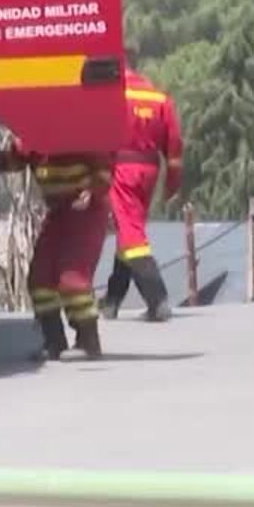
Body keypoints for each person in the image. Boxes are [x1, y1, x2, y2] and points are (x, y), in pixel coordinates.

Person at [0, 139, 113, 361]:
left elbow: (105, 170)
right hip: (58, 213)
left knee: (72, 279)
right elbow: (10, 162)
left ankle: (88, 341)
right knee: (40, 280)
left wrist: (92, 190)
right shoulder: (30, 142)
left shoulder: (82, 136)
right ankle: (53, 341)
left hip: (86, 213)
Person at [100, 68, 185, 322]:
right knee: (129, 230)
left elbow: (95, 136)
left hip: (121, 168)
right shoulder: (159, 99)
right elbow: (175, 148)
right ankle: (112, 300)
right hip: (149, 171)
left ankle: (157, 299)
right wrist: (172, 185)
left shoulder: (111, 96)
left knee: (132, 235)